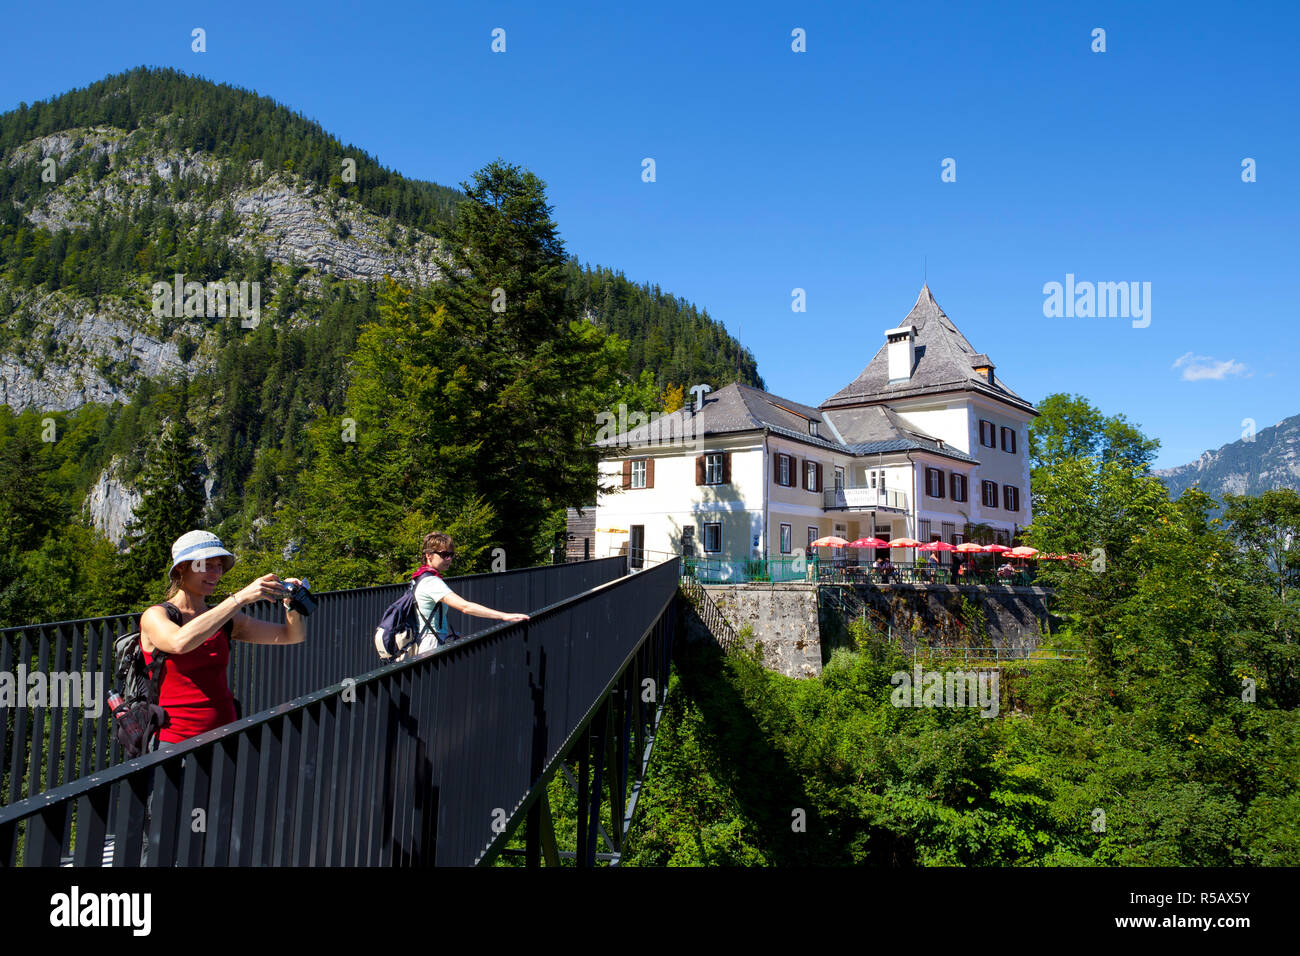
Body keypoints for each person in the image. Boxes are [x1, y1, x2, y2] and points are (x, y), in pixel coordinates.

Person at [139, 530, 308, 744]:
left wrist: (291, 604)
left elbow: (291, 636)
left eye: (219, 566)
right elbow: (178, 642)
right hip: (174, 743)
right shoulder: (156, 615)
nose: (216, 574)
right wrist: (239, 598)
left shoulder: (227, 619)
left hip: (226, 737)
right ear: (182, 568)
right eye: (206, 566)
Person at [413, 532, 530, 654]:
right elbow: (465, 607)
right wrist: (504, 616)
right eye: (444, 554)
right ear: (428, 555)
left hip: (429, 640)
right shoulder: (431, 582)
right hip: (431, 643)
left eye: (451, 555)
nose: (449, 559)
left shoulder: (420, 576)